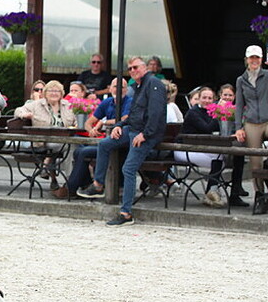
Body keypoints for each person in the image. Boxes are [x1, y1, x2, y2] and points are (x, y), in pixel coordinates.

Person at [77, 56, 167, 226]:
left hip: (145, 134)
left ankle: (126, 213)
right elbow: (133, 113)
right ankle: (98, 184)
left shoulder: (153, 84)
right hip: (132, 129)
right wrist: (119, 125)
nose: (133, 70)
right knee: (104, 143)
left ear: (145, 68)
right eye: (130, 68)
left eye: (136, 67)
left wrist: (145, 134)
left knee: (128, 168)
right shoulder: (138, 86)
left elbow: (156, 114)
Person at [53, 78, 132, 199]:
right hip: (106, 142)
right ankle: (85, 184)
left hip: (121, 145)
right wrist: (91, 130)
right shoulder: (107, 102)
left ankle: (71, 188)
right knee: (78, 151)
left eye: (122, 87)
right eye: (115, 86)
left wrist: (103, 122)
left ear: (126, 90)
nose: (118, 89)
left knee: (83, 152)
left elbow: (126, 119)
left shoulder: (129, 101)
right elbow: (88, 123)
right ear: (110, 88)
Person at [175, 86, 248, 208]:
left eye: (210, 98)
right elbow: (207, 128)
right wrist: (218, 112)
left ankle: (233, 190)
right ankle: (211, 192)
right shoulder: (193, 112)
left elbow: (219, 129)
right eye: (204, 98)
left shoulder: (209, 111)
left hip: (202, 147)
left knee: (236, 154)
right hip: (185, 149)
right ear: (199, 98)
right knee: (219, 158)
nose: (207, 101)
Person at [233, 45, 268, 214]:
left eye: (257, 57)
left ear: (261, 59)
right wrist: (238, 127)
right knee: (255, 163)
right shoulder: (241, 80)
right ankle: (260, 196)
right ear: (246, 59)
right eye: (251, 57)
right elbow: (239, 105)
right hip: (251, 123)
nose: (254, 60)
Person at [13, 80, 77, 190]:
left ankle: (69, 179)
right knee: (71, 146)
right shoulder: (37, 104)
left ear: (61, 93)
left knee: (74, 146)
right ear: (45, 93)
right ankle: (70, 181)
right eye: (51, 91)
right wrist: (24, 115)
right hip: (43, 140)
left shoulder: (68, 105)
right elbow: (18, 110)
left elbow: (76, 118)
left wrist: (77, 123)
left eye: (57, 91)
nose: (54, 93)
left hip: (63, 139)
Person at [218, 83, 249, 200]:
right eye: (225, 95)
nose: (227, 97)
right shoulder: (215, 109)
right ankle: (236, 187)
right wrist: (222, 110)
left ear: (234, 97)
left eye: (230, 95)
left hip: (229, 143)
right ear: (220, 95)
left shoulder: (237, 110)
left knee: (239, 151)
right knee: (238, 153)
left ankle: (236, 189)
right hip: (216, 145)